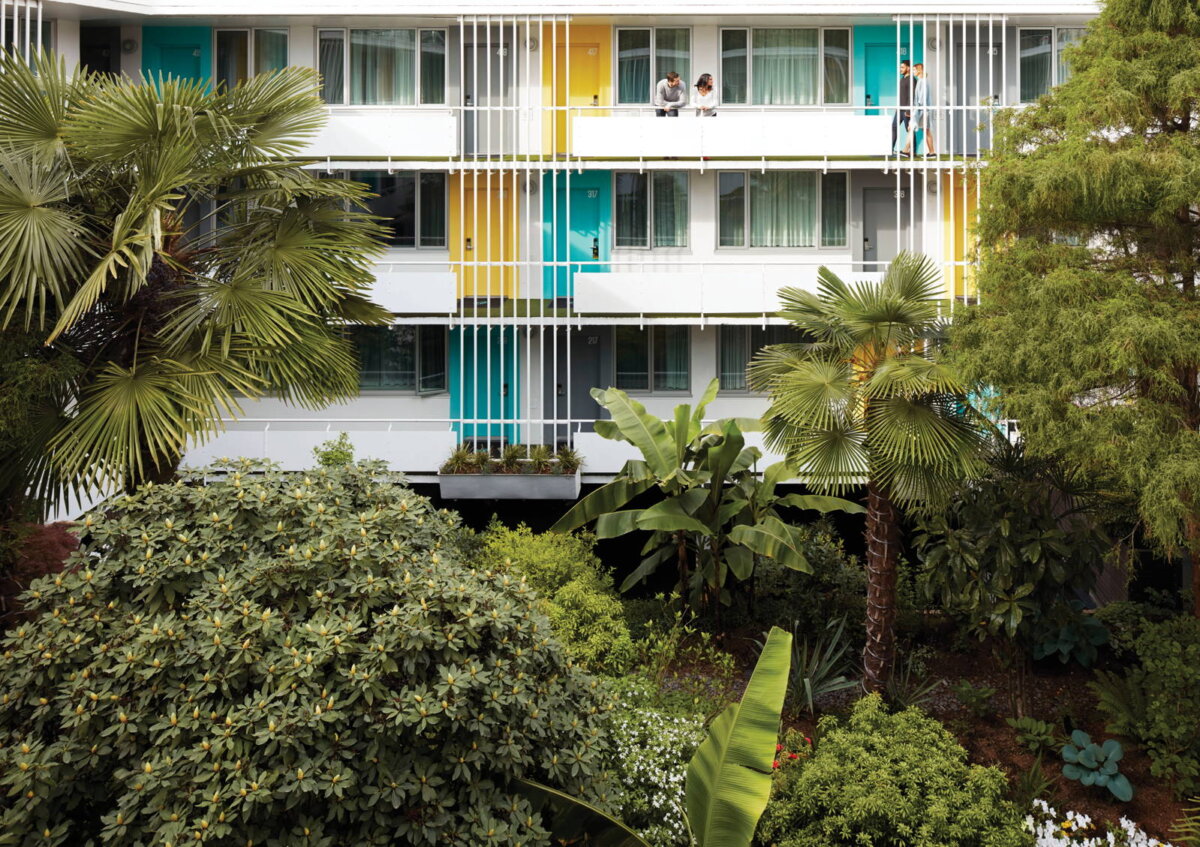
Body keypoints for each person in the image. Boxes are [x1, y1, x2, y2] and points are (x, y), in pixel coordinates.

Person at [910, 62, 935, 157]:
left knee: (926, 130)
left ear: (919, 70)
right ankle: (931, 152)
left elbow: (922, 98)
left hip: (923, 110)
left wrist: (917, 110)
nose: (913, 72)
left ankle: (932, 152)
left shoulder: (923, 81)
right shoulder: (921, 80)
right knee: (926, 130)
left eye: (914, 70)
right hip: (922, 110)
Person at [891, 60, 913, 156]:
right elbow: (902, 95)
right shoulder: (902, 79)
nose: (900, 69)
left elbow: (911, 96)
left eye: (902, 67)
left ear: (908, 68)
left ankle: (911, 151)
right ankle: (890, 149)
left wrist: (909, 111)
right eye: (900, 67)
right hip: (900, 109)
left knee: (909, 130)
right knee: (893, 127)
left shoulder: (912, 80)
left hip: (906, 110)